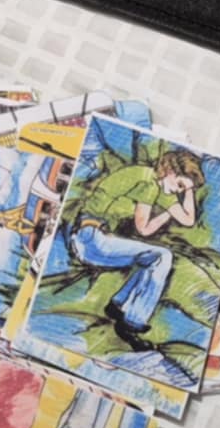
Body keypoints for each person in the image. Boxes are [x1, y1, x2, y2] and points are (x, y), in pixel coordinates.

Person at [62, 148, 203, 347]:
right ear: (170, 171)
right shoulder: (147, 181)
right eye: (180, 185)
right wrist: (169, 212)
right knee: (162, 257)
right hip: (90, 238)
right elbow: (143, 229)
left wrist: (189, 189)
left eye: (183, 190)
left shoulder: (161, 186)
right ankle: (132, 323)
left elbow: (188, 220)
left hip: (89, 238)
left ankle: (117, 306)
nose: (179, 191)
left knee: (150, 259)